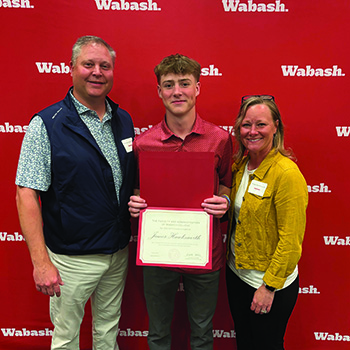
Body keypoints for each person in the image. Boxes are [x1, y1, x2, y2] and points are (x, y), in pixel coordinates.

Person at [15, 35, 135, 350]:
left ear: (112, 72)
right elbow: (26, 193)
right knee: (66, 338)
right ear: (71, 69)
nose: (97, 72)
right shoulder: (47, 124)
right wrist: (41, 263)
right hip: (71, 258)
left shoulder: (123, 120)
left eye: (105, 66)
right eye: (89, 64)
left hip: (117, 252)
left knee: (108, 333)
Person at [128, 54, 233, 349]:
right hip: (157, 251)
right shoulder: (143, 143)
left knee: (202, 335)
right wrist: (135, 204)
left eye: (184, 83)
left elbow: (226, 183)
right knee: (158, 334)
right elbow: (137, 190)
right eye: (169, 85)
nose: (177, 91)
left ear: (197, 88)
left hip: (205, 251)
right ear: (159, 91)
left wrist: (224, 201)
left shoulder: (220, 139)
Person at [225, 95, 308, 350]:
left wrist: (268, 287)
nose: (252, 132)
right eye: (246, 125)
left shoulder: (286, 174)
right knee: (245, 343)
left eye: (260, 124)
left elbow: (291, 241)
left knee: (266, 345)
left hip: (268, 283)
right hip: (237, 273)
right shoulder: (240, 166)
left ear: (276, 127)